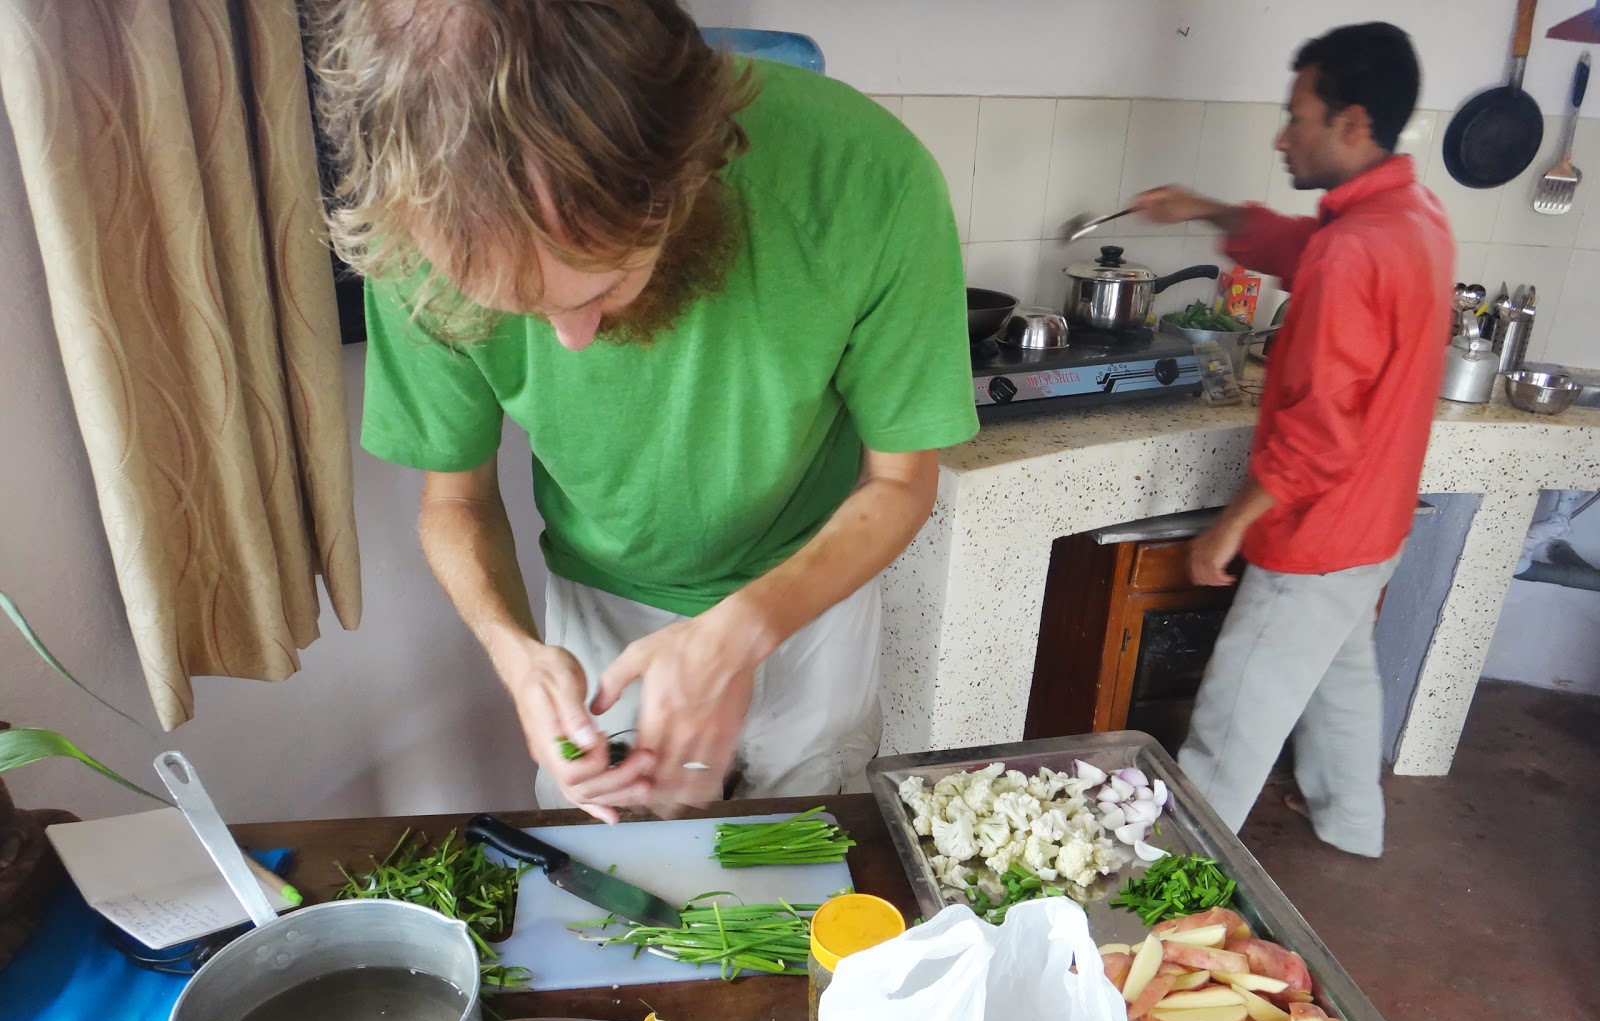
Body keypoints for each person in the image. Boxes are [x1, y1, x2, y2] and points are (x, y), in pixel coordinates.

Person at [312, 1, 977, 823]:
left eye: (604, 286)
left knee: (805, 849)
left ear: (687, 174)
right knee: (606, 862)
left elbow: (902, 482)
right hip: (600, 605)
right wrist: (516, 654)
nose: (572, 340)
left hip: (814, 591)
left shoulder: (867, 178)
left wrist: (746, 628)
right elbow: (456, 500)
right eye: (520, 309)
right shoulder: (415, 226)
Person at [1133, 22, 1451, 857]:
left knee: (1231, 724)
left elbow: (1318, 432)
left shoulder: (1353, 250)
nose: (1282, 137)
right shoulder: (1410, 214)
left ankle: (1173, 885)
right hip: (1376, 521)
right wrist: (1208, 208)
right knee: (1341, 679)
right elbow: (1304, 248)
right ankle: (1352, 821)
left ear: (1353, 123)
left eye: (1296, 118)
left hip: (1318, 532)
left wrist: (1231, 525)